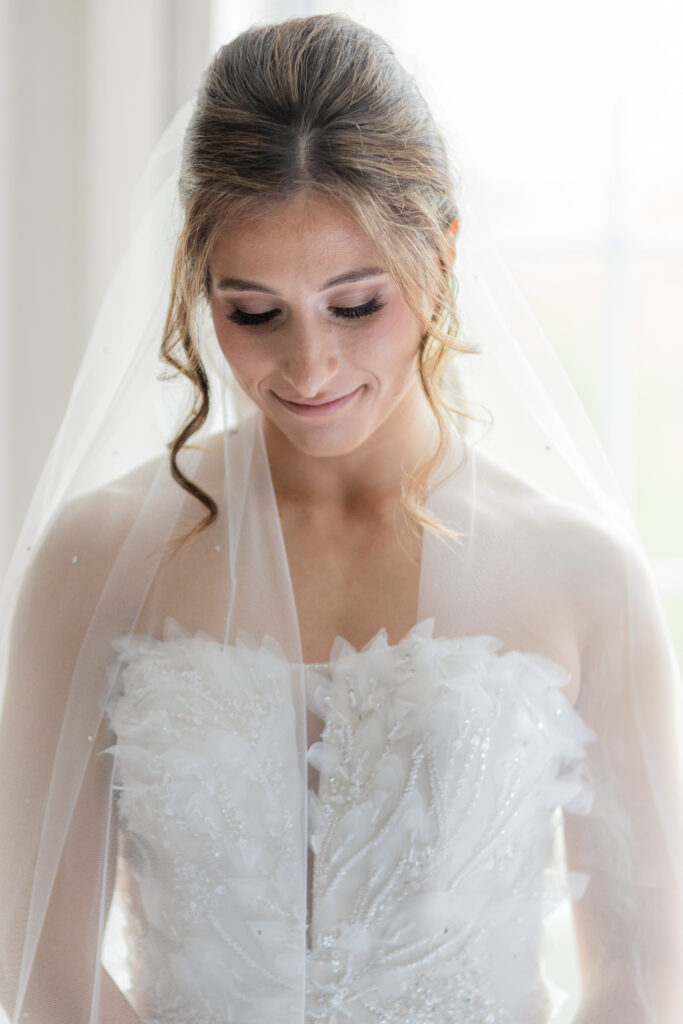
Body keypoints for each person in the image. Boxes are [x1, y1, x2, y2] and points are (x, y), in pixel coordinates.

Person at [0, 12, 682, 1024]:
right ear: (198, 285)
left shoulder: (584, 577)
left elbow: (639, 980)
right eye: (252, 310)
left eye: (355, 304)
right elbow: (42, 972)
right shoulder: (91, 558)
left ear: (441, 255)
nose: (309, 367)